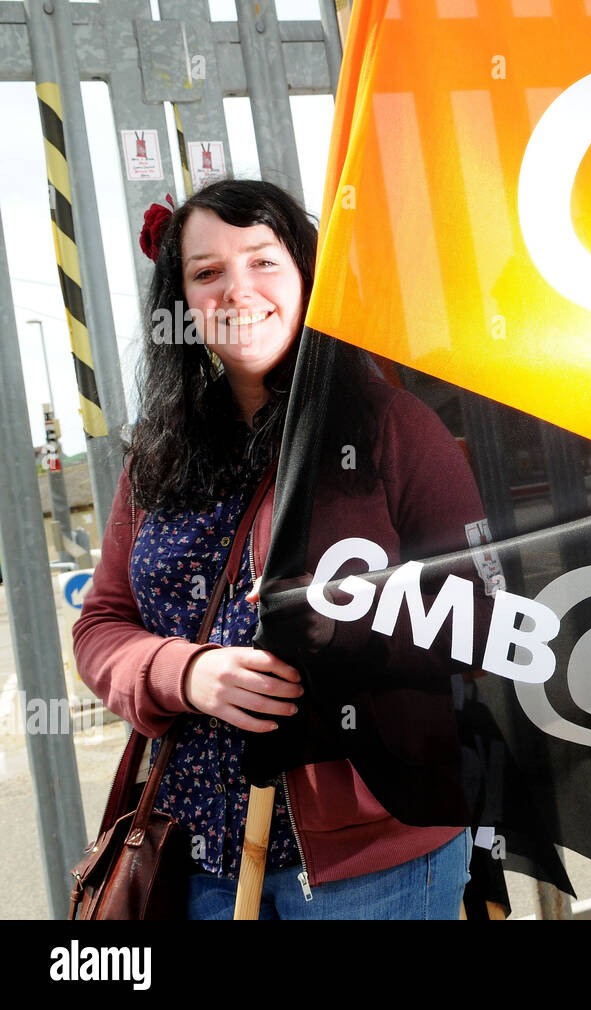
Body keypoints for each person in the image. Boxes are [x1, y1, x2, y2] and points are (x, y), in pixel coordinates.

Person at [72, 179, 487, 919]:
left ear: (307, 277)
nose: (239, 291)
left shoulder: (395, 428)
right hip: (191, 859)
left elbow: (479, 619)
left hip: (372, 862)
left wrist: (347, 629)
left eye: (264, 261)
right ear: (182, 303)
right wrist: (183, 672)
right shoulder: (156, 456)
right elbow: (101, 624)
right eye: (207, 273)